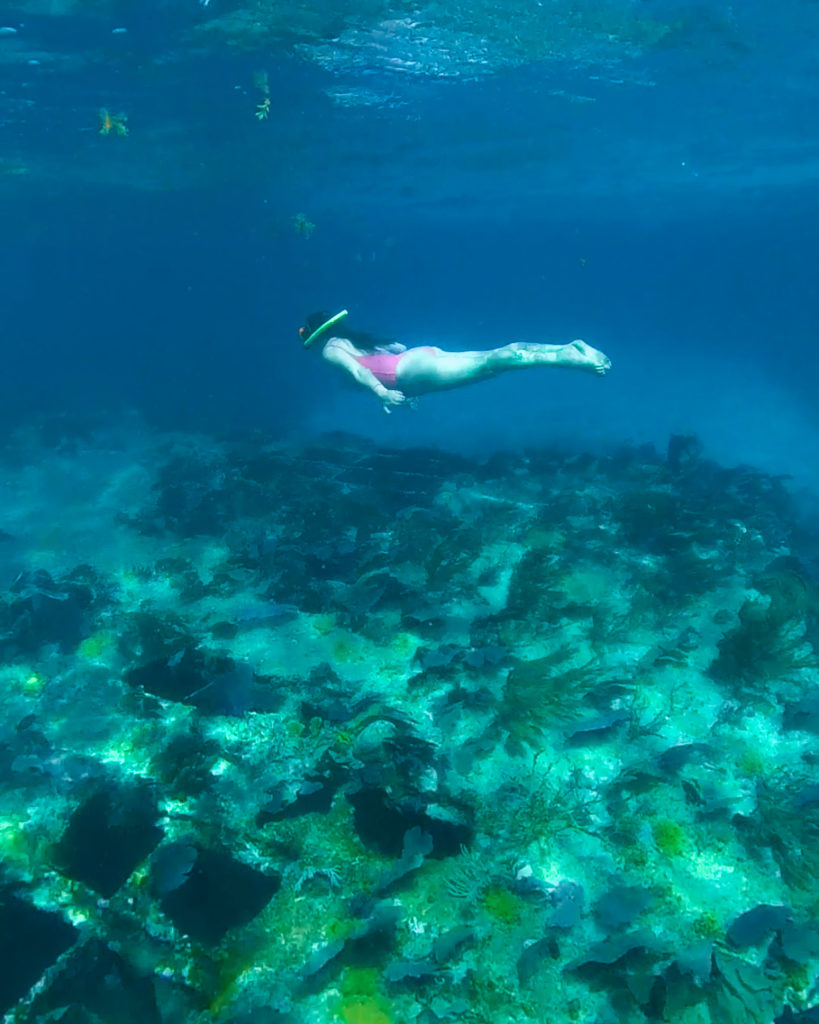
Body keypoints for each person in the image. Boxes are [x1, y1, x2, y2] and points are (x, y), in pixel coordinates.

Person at [299, 309, 611, 413]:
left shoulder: (330, 349)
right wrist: (407, 391)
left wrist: (382, 394)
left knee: (492, 363)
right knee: (491, 358)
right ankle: (567, 348)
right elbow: (396, 347)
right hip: (418, 358)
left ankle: (570, 357)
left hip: (411, 371)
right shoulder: (356, 338)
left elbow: (357, 371)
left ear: (317, 337)